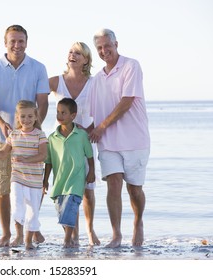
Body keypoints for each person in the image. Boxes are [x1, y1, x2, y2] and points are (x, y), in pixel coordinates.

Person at [0, 24, 50, 247]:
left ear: (26, 42)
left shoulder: (38, 68)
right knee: (2, 188)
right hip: (1, 137)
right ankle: (7, 233)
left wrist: (34, 129)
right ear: (5, 43)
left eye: (21, 41)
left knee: (31, 187)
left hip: (30, 137)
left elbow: (43, 101)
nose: (17, 45)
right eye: (13, 41)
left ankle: (31, 229)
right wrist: (2, 123)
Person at [87, 28, 151, 248]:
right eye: (100, 48)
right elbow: (94, 116)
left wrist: (102, 126)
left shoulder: (131, 66)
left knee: (134, 189)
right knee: (113, 185)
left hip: (135, 140)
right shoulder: (96, 80)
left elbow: (127, 101)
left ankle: (138, 222)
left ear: (116, 44)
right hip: (108, 143)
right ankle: (116, 235)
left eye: (108, 46)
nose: (105, 51)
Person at [49, 42, 100, 246]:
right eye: (71, 51)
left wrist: (92, 129)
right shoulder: (55, 82)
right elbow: (35, 98)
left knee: (87, 188)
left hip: (85, 142)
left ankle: (89, 230)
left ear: (86, 59)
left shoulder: (95, 83)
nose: (73, 55)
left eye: (78, 53)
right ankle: (72, 235)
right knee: (65, 189)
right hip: (61, 144)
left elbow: (106, 107)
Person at [0, 100, 48, 250]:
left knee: (33, 211)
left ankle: (28, 241)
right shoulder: (13, 135)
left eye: (29, 116)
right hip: (17, 178)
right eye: (23, 117)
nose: (26, 120)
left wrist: (27, 159)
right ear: (17, 117)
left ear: (35, 117)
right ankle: (18, 235)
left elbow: (43, 155)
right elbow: (3, 153)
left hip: (34, 180)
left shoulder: (40, 135)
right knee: (16, 205)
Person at [43, 98, 95, 248]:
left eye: (63, 113)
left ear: (73, 115)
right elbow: (49, 162)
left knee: (70, 208)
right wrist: (45, 180)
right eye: (58, 112)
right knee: (61, 211)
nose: (59, 115)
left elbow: (90, 156)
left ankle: (67, 240)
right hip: (60, 181)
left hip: (76, 179)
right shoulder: (52, 138)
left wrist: (91, 171)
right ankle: (71, 239)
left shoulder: (82, 135)